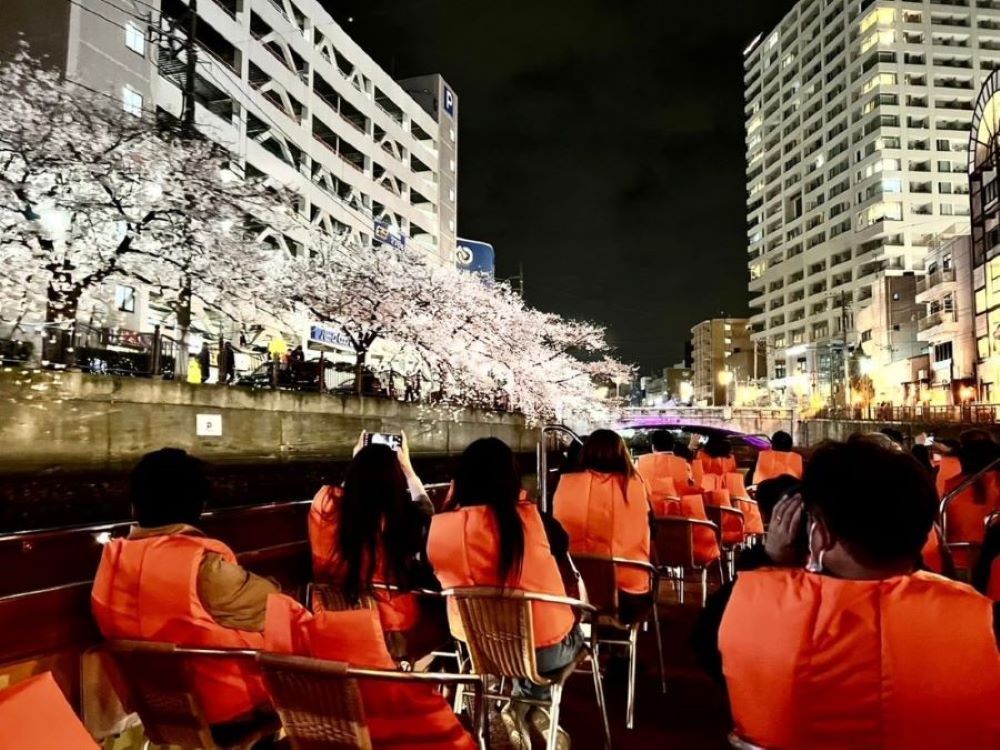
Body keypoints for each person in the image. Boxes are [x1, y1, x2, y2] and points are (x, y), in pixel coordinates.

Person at [718, 440, 1000, 749]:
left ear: (819, 532)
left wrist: (770, 561)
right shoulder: (985, 621)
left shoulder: (747, 612)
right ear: (923, 530)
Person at [91, 449, 278, 726]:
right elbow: (277, 609)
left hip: (158, 713)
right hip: (234, 713)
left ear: (134, 506)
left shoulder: (112, 563)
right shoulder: (205, 570)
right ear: (199, 506)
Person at [427, 438, 580, 749]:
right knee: (569, 632)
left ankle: (525, 703)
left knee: (514, 645)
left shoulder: (440, 528)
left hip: (479, 647)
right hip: (545, 648)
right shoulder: (533, 520)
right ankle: (530, 703)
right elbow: (563, 544)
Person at [309, 432, 447, 660]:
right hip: (389, 623)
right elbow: (428, 518)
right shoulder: (400, 516)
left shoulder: (324, 501)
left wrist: (358, 460)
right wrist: (408, 469)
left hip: (332, 613)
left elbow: (346, 494)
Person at [554, 429, 652, 618]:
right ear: (622, 454)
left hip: (572, 592)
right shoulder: (636, 487)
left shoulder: (565, 484)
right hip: (626, 596)